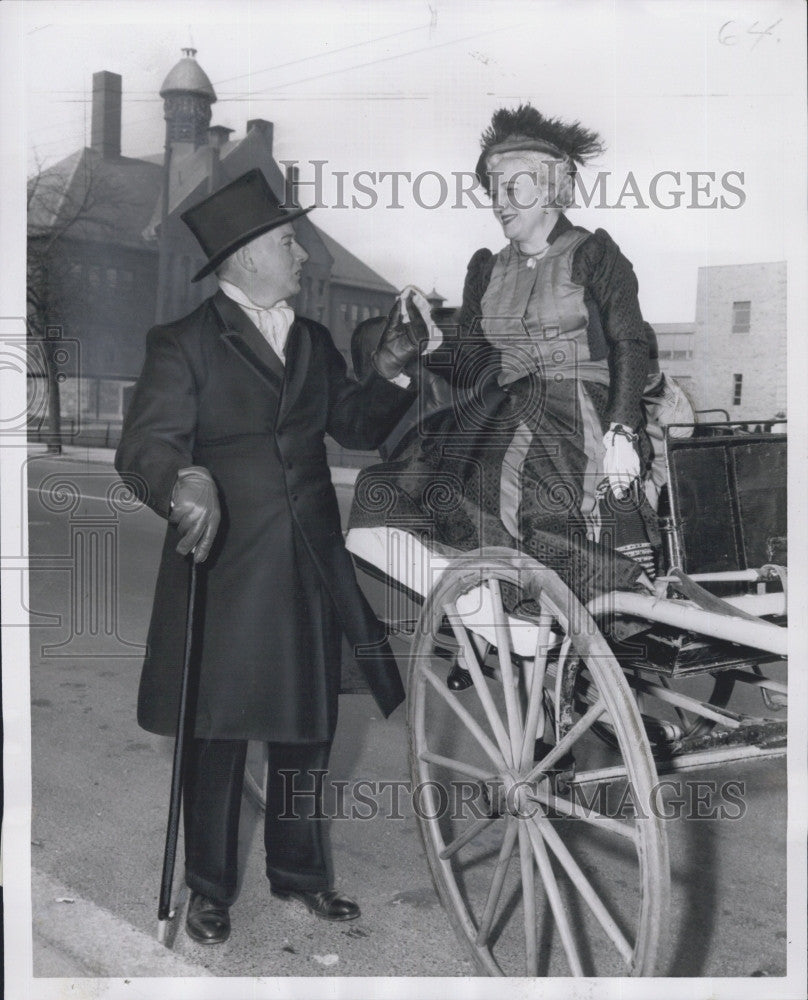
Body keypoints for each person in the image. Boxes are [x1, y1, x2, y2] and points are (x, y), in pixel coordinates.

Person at [116, 168, 425, 944]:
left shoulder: (312, 339)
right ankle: (211, 887)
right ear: (248, 255)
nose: (302, 255)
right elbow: (145, 445)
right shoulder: (183, 343)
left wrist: (388, 370)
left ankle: (300, 876)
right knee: (216, 737)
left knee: (305, 731)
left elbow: (351, 424)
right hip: (225, 567)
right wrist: (181, 479)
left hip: (311, 565)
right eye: (288, 242)